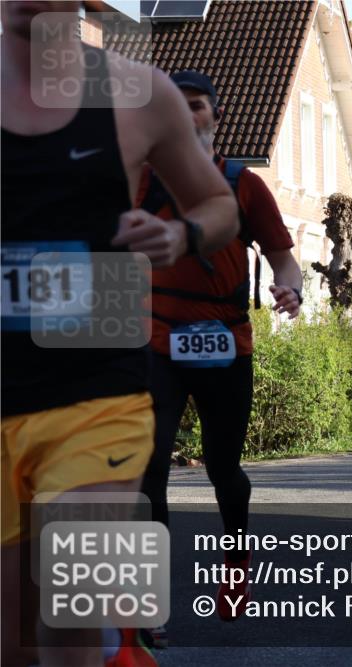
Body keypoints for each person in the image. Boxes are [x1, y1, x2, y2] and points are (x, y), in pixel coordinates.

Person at [2, 4, 239, 665]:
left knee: (71, 604)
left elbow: (218, 204)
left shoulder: (142, 94)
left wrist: (179, 233)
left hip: (99, 389)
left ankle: (109, 633)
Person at [136, 70, 302, 627]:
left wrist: (292, 287)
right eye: (176, 106)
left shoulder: (243, 184)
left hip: (225, 343)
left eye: (198, 106)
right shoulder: (140, 182)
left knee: (223, 467)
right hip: (156, 339)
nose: (187, 114)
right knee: (147, 468)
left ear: (215, 117)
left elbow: (282, 256)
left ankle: (236, 556)